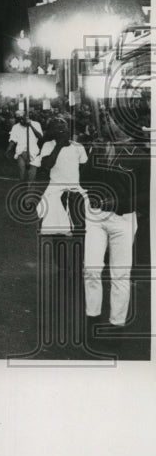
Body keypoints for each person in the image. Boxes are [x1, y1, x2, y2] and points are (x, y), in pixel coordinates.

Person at [81, 138, 145, 328]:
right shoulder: (100, 148)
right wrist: (96, 154)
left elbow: (146, 194)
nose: (112, 125)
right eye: (109, 120)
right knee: (91, 269)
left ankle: (117, 323)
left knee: (120, 274)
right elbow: (83, 181)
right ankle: (92, 316)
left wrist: (117, 203)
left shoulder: (141, 156)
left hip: (123, 219)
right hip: (95, 216)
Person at [36, 117, 88, 236]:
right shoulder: (48, 145)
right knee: (55, 228)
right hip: (55, 188)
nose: (61, 131)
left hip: (75, 188)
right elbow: (46, 166)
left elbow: (83, 167)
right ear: (52, 132)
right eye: (57, 128)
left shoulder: (78, 146)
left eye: (63, 127)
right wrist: (58, 146)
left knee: (80, 226)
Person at [7, 108, 43, 183]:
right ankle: (22, 191)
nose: (21, 121)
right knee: (22, 176)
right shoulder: (16, 127)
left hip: (34, 153)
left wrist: (31, 126)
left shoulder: (36, 124)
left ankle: (30, 193)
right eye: (19, 119)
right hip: (21, 152)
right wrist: (8, 150)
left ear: (27, 117)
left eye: (22, 118)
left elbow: (40, 136)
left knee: (31, 178)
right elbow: (13, 140)